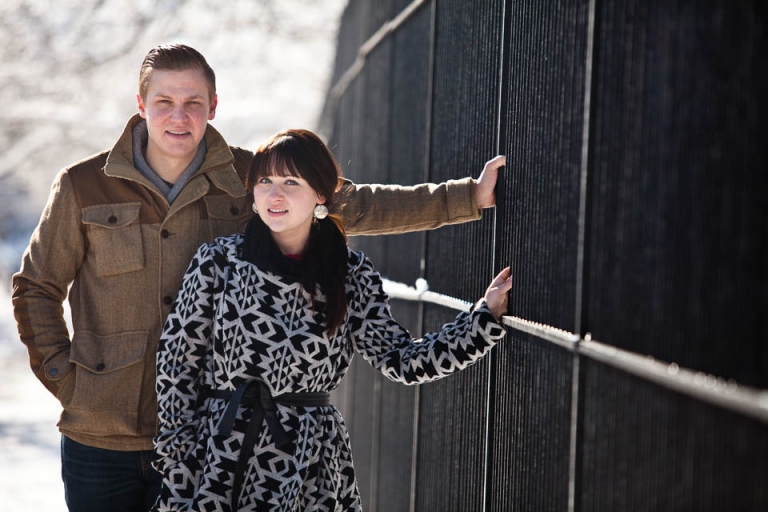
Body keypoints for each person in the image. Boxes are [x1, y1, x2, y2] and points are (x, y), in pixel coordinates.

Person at [10, 43, 505, 512]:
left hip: (207, 443)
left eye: (193, 102)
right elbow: (36, 287)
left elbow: (351, 203)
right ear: (141, 104)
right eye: (164, 102)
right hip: (102, 434)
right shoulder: (83, 185)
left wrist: (466, 197)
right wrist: (68, 381)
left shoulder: (252, 176)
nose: (179, 116)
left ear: (213, 106)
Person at [151, 128, 511, 511]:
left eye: (291, 182)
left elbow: (402, 360)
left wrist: (482, 319)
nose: (275, 195)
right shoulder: (219, 261)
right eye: (264, 181)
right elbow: (177, 360)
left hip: (307, 465)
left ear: (321, 194)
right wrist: (178, 455)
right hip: (216, 457)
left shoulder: (350, 273)